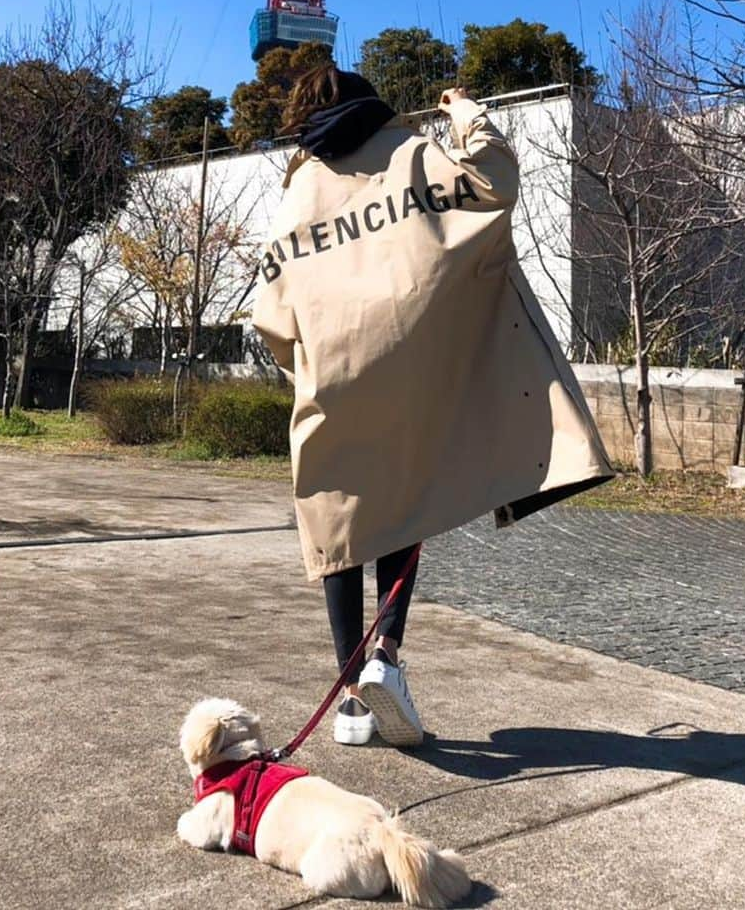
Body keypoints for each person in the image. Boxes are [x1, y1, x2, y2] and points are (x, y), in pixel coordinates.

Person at [252, 65, 613, 748]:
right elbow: (495, 182)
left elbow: (272, 308)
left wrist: (303, 364)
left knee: (338, 519)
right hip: (413, 359)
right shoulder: (412, 150)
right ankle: (387, 653)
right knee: (407, 499)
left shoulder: (299, 188)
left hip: (333, 369)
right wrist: (467, 114)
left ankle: (351, 696)